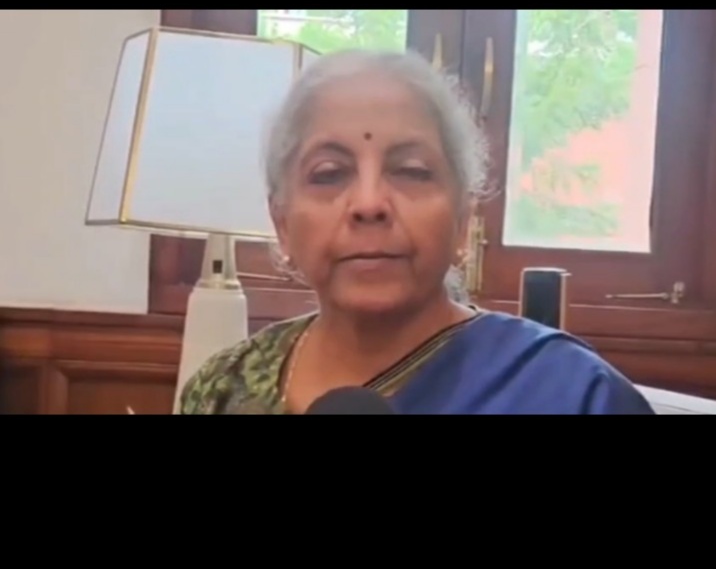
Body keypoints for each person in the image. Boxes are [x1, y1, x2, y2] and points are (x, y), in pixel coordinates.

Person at [179, 48, 654, 415]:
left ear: (463, 220)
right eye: (329, 174)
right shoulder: (223, 389)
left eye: (411, 171)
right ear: (282, 223)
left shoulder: (571, 394)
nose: (369, 204)